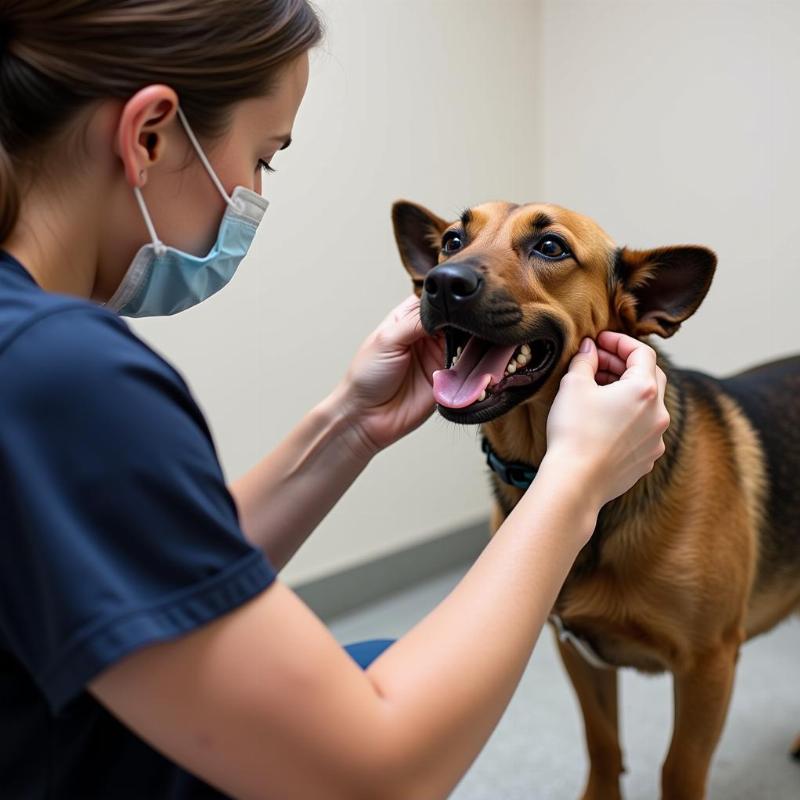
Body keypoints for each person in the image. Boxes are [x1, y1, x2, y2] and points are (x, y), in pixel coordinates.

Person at [0, 2, 669, 798]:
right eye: (264, 157)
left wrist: (352, 423)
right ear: (150, 135)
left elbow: (154, 569)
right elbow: (377, 774)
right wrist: (578, 480)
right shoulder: (60, 374)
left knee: (377, 656)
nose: (250, 194)